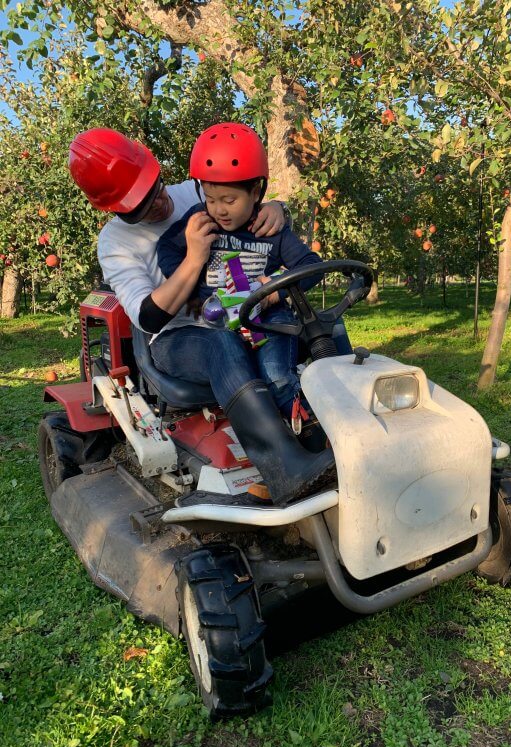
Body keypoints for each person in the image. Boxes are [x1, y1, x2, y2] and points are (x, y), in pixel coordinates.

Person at [68, 127, 336, 505]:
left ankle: (336, 435)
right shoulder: (114, 244)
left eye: (157, 187)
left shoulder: (195, 192)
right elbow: (148, 318)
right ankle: (285, 467)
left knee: (326, 327)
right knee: (221, 341)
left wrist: (277, 210)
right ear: (115, 209)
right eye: (142, 207)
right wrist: (194, 258)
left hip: (246, 316)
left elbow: (244, 200)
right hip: (178, 337)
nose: (160, 203)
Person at [156, 122, 323, 422]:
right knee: (238, 365)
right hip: (217, 323)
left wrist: (275, 289)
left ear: (256, 191)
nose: (219, 210)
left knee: (277, 377)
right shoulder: (199, 222)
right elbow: (166, 250)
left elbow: (311, 266)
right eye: (210, 199)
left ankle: (309, 429)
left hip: (269, 320)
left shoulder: (271, 230)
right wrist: (192, 284)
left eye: (229, 200)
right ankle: (270, 432)